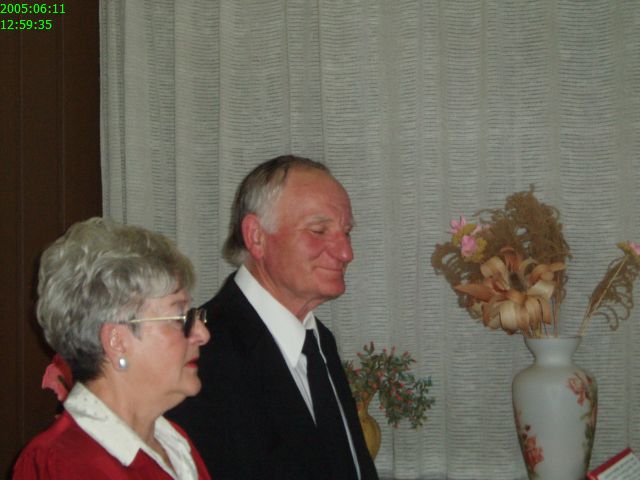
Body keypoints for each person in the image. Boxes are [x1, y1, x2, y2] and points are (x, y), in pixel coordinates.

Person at [168, 155, 379, 479]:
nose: (346, 253)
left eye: (346, 232)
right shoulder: (200, 354)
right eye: (319, 230)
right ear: (256, 236)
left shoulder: (318, 341)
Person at [13, 218, 212, 480]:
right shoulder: (59, 464)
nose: (202, 334)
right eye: (180, 318)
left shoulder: (175, 443)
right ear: (117, 341)